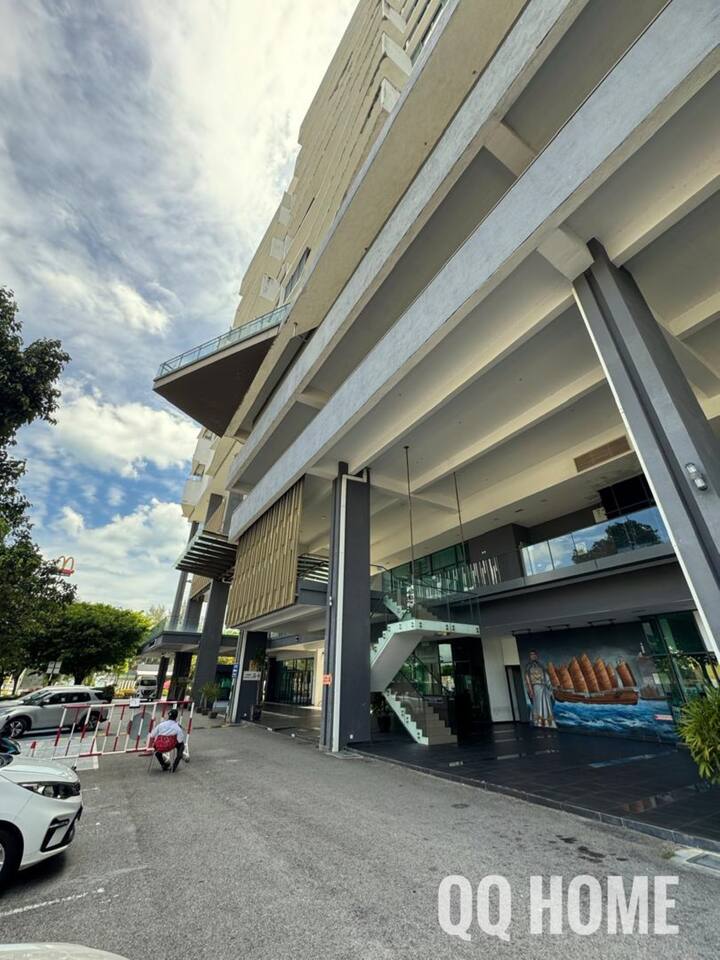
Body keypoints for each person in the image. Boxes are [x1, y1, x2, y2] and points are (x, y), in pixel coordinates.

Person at [524, 650, 556, 729]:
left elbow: (546, 677)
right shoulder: (528, 667)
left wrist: (550, 687)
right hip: (536, 687)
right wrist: (530, 690)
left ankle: (548, 722)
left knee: (547, 704)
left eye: (534, 654)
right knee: (538, 704)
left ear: (536, 656)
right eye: (531, 655)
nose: (533, 656)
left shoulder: (541, 666)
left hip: (544, 687)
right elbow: (527, 679)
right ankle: (539, 722)